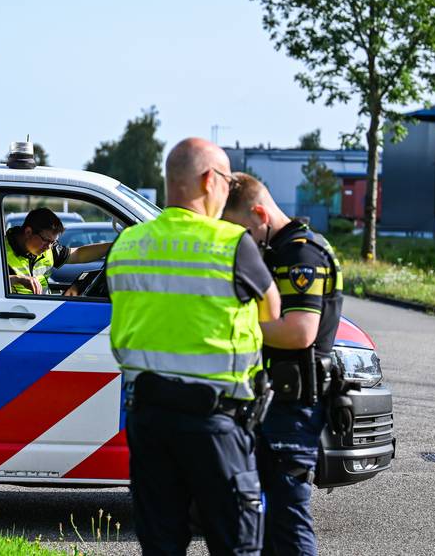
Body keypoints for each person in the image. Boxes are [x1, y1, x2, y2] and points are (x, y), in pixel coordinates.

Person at [108, 137, 280, 556]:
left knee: (161, 545)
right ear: (208, 180)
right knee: (234, 544)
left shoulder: (127, 244)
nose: (228, 189)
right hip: (214, 423)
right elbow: (272, 311)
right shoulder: (231, 243)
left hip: (148, 419)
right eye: (226, 179)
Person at [223, 173, 344, 556]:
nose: (241, 239)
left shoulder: (301, 254)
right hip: (275, 401)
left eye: (241, 228)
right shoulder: (278, 250)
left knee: (289, 521)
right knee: (269, 522)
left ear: (259, 213)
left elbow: (299, 332)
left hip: (295, 406)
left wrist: (234, 325)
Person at [4, 208, 111, 295]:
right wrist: (18, 279)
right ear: (28, 232)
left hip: (43, 311)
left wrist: (114, 246)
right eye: (46, 240)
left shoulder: (49, 248)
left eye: (52, 242)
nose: (48, 247)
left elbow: (78, 254)